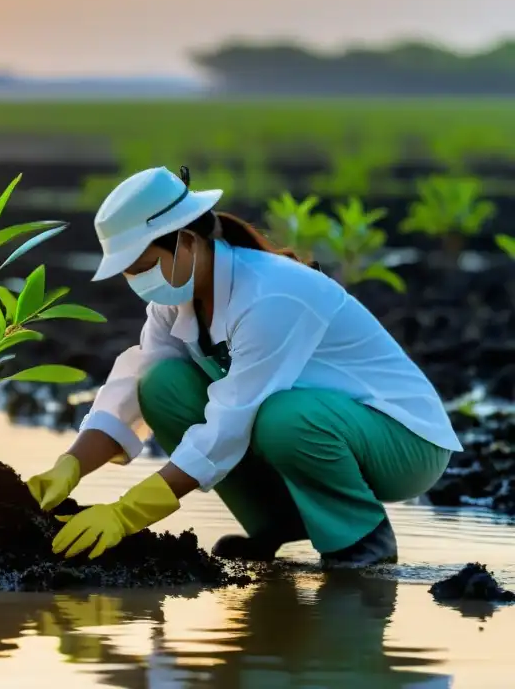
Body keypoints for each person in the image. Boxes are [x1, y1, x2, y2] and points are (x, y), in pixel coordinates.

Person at [26, 166, 460, 569]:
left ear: (189, 242)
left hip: (403, 442)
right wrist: (70, 467)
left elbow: (232, 419)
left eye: (143, 266)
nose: (139, 282)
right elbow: (132, 388)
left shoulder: (271, 294)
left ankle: (362, 539)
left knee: (282, 418)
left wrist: (127, 513)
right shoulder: (176, 299)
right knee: (161, 384)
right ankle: (278, 526)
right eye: (128, 273)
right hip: (325, 427)